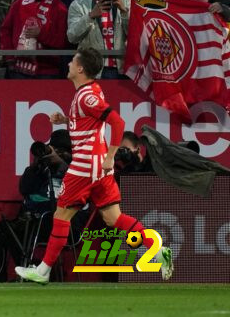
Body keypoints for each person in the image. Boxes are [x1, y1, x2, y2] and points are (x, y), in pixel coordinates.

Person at [15, 48, 174, 284]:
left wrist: (111, 155)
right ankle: (159, 250)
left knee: (61, 215)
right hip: (98, 167)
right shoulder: (91, 91)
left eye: (73, 61)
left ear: (80, 68)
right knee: (113, 218)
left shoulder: (85, 96)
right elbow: (90, 119)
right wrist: (67, 120)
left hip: (85, 165)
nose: (68, 63)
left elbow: (117, 122)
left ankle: (43, 271)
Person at [0, 0, 68, 79]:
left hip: (48, 71)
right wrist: (10, 57)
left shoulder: (59, 7)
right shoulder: (19, 4)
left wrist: (41, 34)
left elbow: (62, 40)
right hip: (19, 69)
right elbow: (5, 30)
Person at [67, 0, 129, 79]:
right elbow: (72, 37)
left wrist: (124, 12)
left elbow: (136, 36)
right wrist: (90, 16)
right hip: (91, 69)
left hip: (121, 69)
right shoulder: (79, 3)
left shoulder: (126, 1)